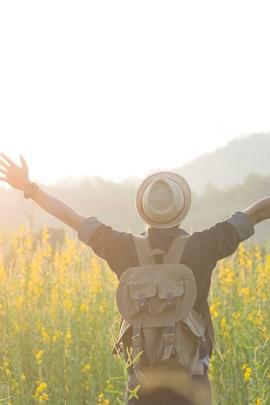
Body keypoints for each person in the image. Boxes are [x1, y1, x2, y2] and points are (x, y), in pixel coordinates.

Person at [0, 152, 270, 405]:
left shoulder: (122, 248)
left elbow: (72, 218)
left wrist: (30, 189)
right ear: (182, 208)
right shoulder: (204, 245)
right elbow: (256, 213)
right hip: (192, 385)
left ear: (143, 208)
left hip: (142, 385)